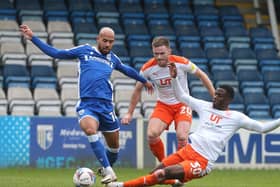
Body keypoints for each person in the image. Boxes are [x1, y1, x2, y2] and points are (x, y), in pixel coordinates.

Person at [106, 62, 280, 187]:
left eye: (219, 95)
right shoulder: (205, 106)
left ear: (228, 99)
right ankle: (172, 182)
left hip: (202, 161)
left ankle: (120, 185)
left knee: (162, 174)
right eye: (215, 93)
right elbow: (182, 97)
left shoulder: (236, 117)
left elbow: (263, 128)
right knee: (155, 172)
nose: (215, 96)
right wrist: (174, 80)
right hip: (187, 151)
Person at [19, 25, 153, 184]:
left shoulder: (113, 59)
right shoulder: (84, 50)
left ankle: (106, 170)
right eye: (105, 41)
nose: (108, 45)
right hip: (87, 105)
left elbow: (127, 70)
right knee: (90, 129)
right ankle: (109, 171)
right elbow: (56, 53)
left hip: (106, 107)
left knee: (114, 149)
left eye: (111, 42)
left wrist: (144, 81)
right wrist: (33, 37)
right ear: (98, 39)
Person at [121, 36, 215, 162]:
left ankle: (179, 168)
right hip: (163, 105)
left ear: (169, 51)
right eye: (156, 54)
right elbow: (137, 89)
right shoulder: (147, 68)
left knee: (182, 136)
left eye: (162, 53)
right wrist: (129, 113)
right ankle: (165, 165)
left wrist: (214, 97)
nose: (159, 57)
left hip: (183, 104)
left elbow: (201, 75)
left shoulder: (181, 62)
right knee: (151, 135)